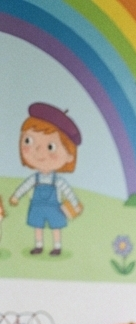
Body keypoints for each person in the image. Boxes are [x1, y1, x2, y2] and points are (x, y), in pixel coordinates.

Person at [8, 103, 83, 257]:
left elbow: (67, 191)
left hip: (54, 207)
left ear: (69, 156)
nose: (38, 151)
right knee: (38, 226)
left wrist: (75, 204)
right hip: (37, 206)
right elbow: (25, 186)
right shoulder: (35, 178)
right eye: (28, 141)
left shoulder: (58, 181)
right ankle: (39, 246)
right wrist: (16, 196)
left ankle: (57, 246)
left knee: (56, 227)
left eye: (50, 147)